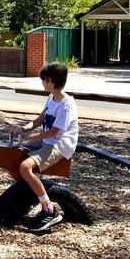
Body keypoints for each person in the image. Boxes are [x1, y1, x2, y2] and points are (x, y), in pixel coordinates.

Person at [9, 62, 79, 234]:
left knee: (25, 167)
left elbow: (54, 133)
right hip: (47, 141)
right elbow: (39, 120)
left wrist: (29, 136)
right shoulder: (51, 99)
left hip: (59, 145)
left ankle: (49, 210)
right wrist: (22, 129)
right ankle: (30, 191)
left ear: (49, 81)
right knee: (13, 152)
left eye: (43, 80)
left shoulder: (66, 104)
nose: (42, 83)